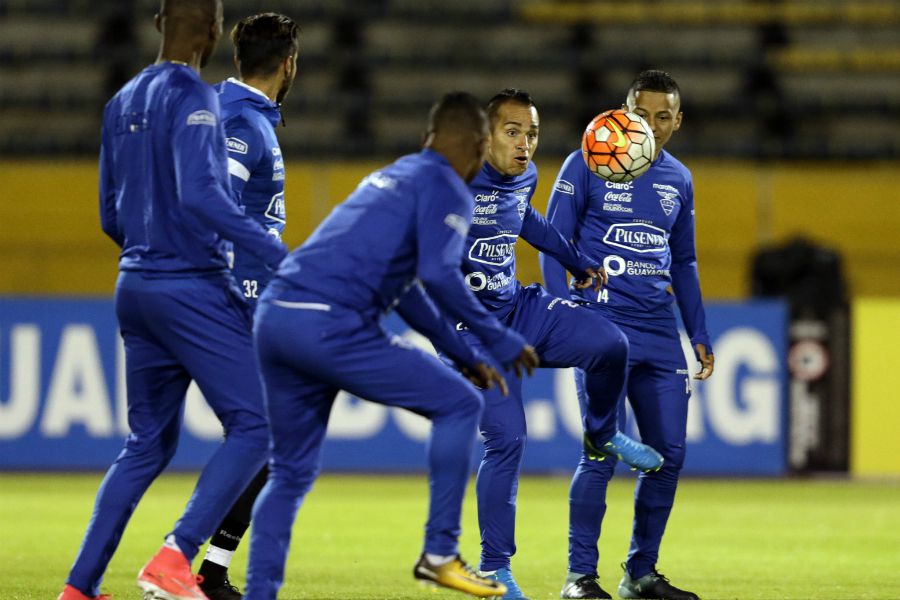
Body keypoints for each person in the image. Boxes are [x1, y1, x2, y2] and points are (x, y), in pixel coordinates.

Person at [244, 92, 540, 599]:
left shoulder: (393, 176)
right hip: (330, 325)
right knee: (460, 404)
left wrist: (467, 355)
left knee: (290, 472)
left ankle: (259, 594)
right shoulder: (449, 187)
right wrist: (496, 336)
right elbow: (439, 276)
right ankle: (440, 552)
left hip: (276, 318)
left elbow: (408, 290)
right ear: (475, 145)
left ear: (428, 138)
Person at [56, 2, 288, 599]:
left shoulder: (120, 100)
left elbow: (110, 214)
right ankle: (176, 557)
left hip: (134, 284)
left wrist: (149, 253)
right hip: (190, 284)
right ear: (213, 31)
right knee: (259, 423)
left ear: (159, 21)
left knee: (146, 444)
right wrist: (284, 259)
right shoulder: (197, 96)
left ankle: (79, 588)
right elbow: (206, 198)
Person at [452, 89, 664, 600]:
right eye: (512, 132)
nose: (525, 144)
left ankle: (602, 434)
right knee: (508, 440)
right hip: (469, 330)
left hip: (517, 310)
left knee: (610, 344)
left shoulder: (524, 175)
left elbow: (526, 219)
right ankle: (494, 566)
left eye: (532, 134)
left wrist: (572, 261)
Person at [541, 70, 714, 600]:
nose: (653, 126)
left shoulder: (678, 179)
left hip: (660, 334)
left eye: (664, 116)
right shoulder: (587, 164)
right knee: (600, 451)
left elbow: (683, 261)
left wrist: (699, 332)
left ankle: (640, 574)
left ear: (678, 122)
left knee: (668, 455)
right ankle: (578, 578)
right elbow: (552, 241)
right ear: (625, 111)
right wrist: (565, 314)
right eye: (643, 114)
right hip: (601, 329)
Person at [197, 12, 299, 600]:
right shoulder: (241, 121)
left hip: (248, 297)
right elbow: (219, 205)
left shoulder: (238, 113)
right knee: (263, 435)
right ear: (288, 63)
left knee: (265, 437)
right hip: (240, 300)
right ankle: (189, 561)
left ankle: (204, 565)